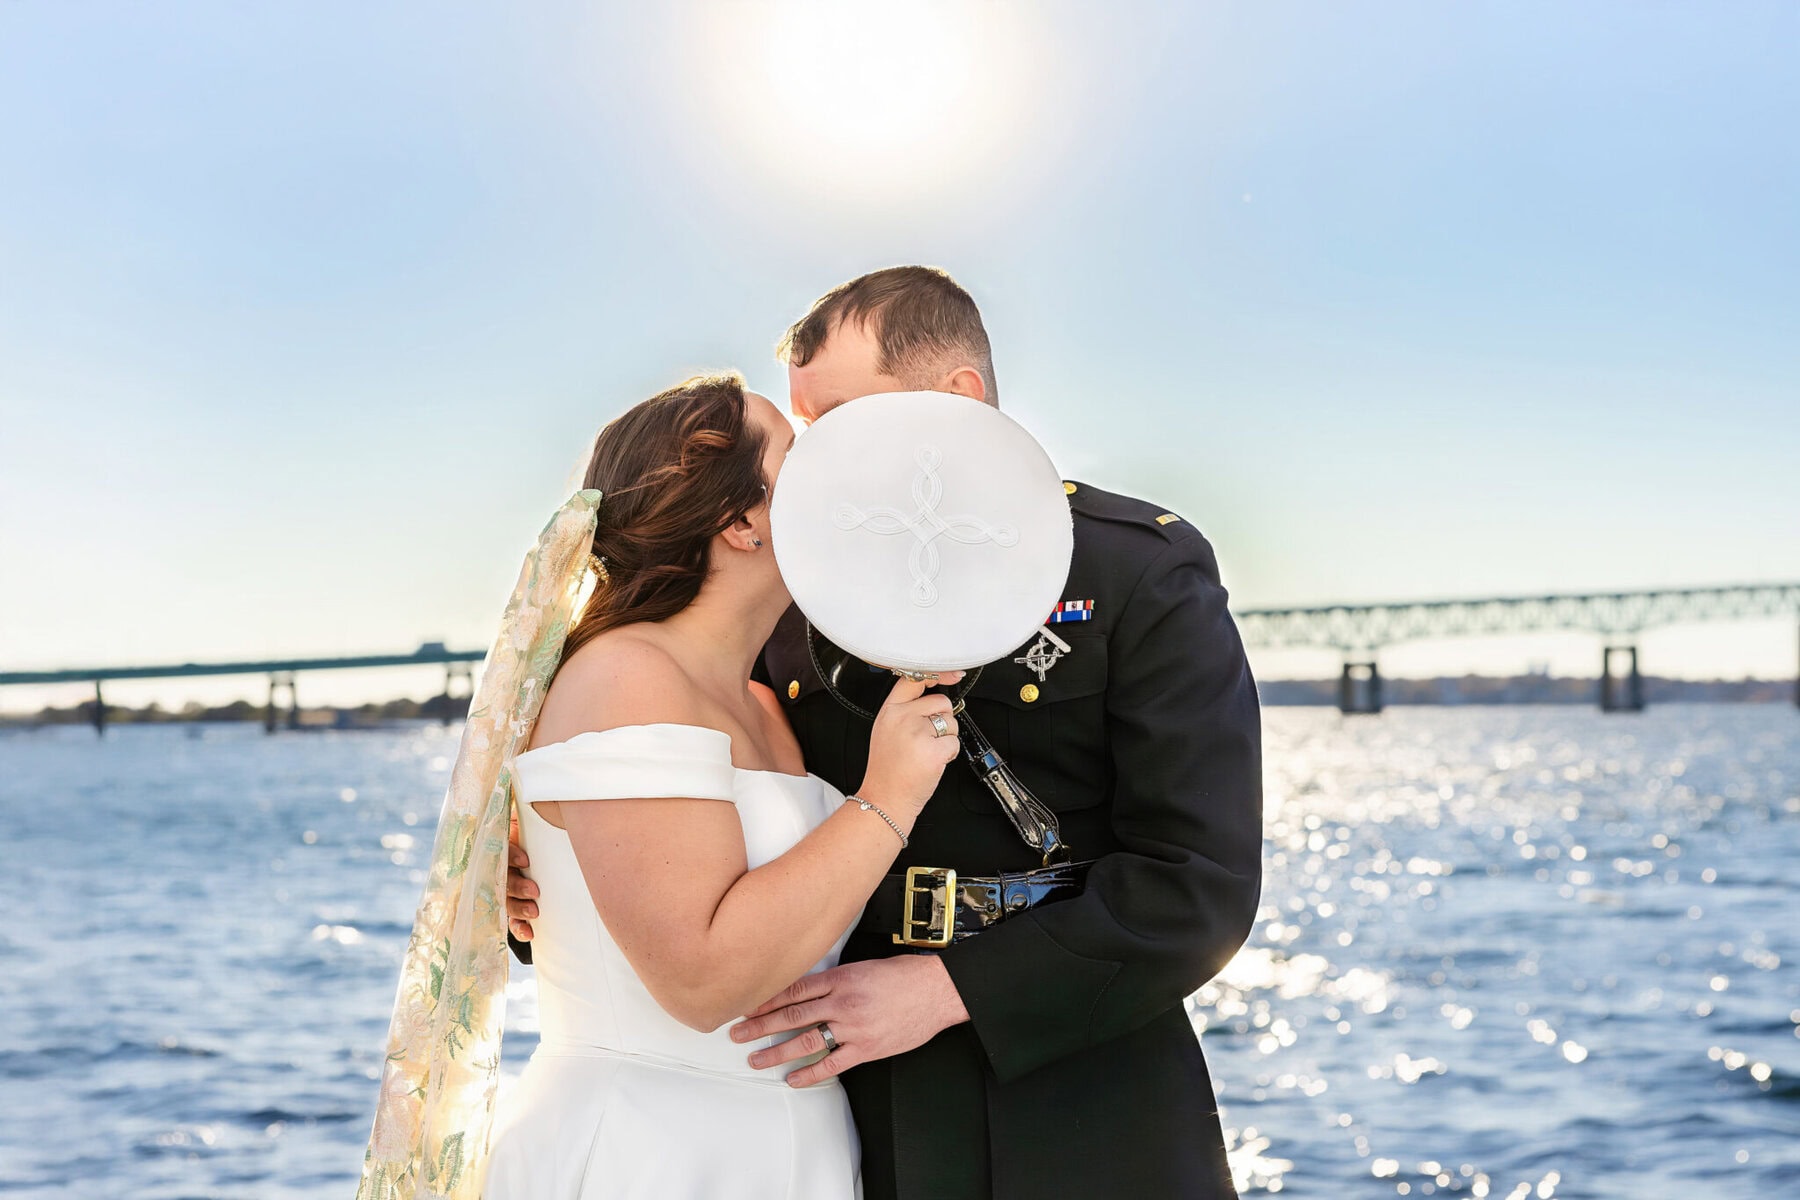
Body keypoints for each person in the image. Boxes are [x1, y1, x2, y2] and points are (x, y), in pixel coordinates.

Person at [508, 268, 1265, 1199]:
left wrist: (947, 991)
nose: (820, 464)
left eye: (838, 424)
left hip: (1080, 1092)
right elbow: (670, 811)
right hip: (845, 1101)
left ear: (956, 401)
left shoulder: (1132, 566)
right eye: (806, 436)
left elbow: (1199, 885)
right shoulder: (788, 602)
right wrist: (546, 862)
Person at [365, 372, 966, 1199]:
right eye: (797, 455)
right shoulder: (626, 677)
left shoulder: (761, 697)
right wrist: (888, 797)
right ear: (741, 521)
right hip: (650, 1150)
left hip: (796, 1146)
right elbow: (701, 980)